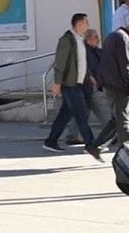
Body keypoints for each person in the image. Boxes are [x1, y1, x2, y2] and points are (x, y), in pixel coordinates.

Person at [43, 13, 101, 160]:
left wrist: (89, 76)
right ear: (79, 24)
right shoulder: (67, 40)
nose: (88, 25)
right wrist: (57, 83)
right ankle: (91, 144)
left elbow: (81, 63)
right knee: (81, 113)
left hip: (79, 83)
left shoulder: (80, 40)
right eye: (86, 22)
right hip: (70, 84)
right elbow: (60, 62)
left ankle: (51, 141)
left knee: (65, 114)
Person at [87, 18, 129, 153]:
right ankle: (127, 153)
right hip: (118, 86)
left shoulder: (113, 36)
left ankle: (95, 147)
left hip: (110, 84)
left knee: (115, 120)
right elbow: (126, 65)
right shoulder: (123, 39)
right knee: (124, 121)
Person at [64, 28, 108, 145]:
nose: (98, 40)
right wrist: (90, 77)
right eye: (96, 37)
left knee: (82, 112)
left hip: (92, 85)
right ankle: (112, 134)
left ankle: (71, 136)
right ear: (88, 39)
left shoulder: (95, 51)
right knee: (102, 110)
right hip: (88, 85)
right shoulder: (83, 51)